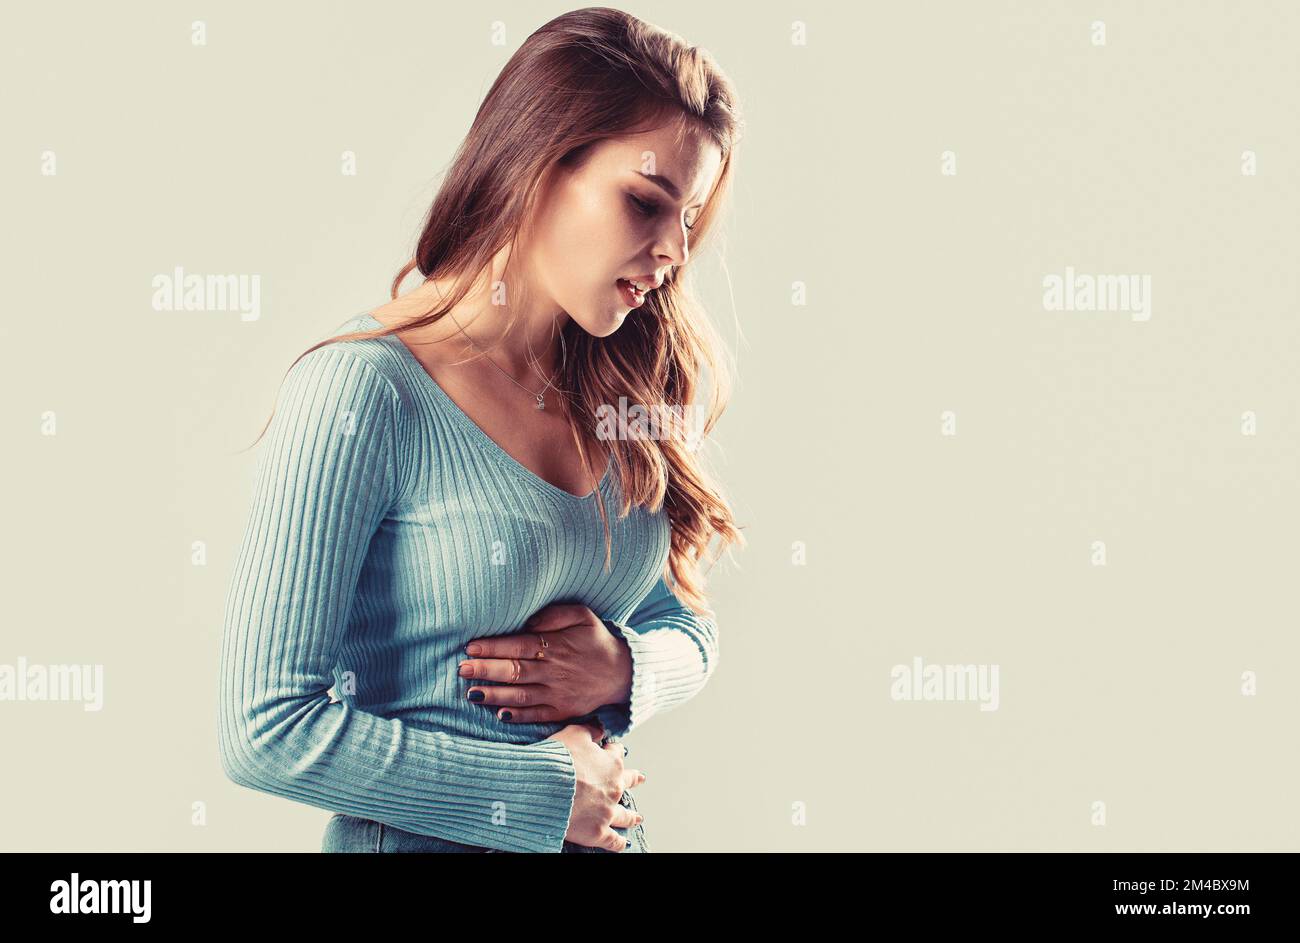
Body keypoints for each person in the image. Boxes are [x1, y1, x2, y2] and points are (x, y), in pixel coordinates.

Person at [218, 6, 745, 853]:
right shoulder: (364, 392)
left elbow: (683, 621)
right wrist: (543, 793)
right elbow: (264, 726)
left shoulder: (619, 391)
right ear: (538, 162)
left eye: (688, 220)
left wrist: (625, 669)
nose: (674, 251)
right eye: (647, 202)